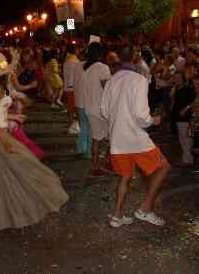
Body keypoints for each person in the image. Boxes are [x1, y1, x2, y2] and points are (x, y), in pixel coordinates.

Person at [0, 52, 68, 230]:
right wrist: (5, 141)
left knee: (4, 174)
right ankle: (24, 206)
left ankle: (7, 211)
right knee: (26, 166)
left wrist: (14, 116)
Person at [101, 49, 171, 228]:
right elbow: (141, 116)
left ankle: (117, 216)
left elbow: (104, 111)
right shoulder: (139, 80)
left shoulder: (111, 80)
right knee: (164, 167)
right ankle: (145, 209)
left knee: (124, 177)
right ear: (135, 57)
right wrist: (153, 120)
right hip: (136, 138)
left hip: (118, 138)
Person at [82, 42, 111, 177]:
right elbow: (107, 89)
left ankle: (95, 166)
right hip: (101, 109)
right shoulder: (103, 68)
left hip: (89, 108)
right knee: (110, 137)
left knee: (96, 138)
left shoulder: (86, 69)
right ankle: (106, 164)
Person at [170, 72, 196, 167]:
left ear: (183, 79)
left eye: (178, 78)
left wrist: (186, 108)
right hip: (178, 117)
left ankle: (187, 159)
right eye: (175, 78)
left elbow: (194, 101)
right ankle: (186, 158)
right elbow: (173, 104)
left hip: (186, 118)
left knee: (186, 139)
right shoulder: (176, 89)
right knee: (182, 138)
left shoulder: (188, 89)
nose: (176, 80)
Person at [63, 44, 80, 134]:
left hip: (68, 87)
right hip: (72, 87)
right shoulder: (74, 62)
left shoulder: (67, 61)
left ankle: (71, 125)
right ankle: (73, 127)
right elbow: (72, 76)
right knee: (74, 108)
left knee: (70, 108)